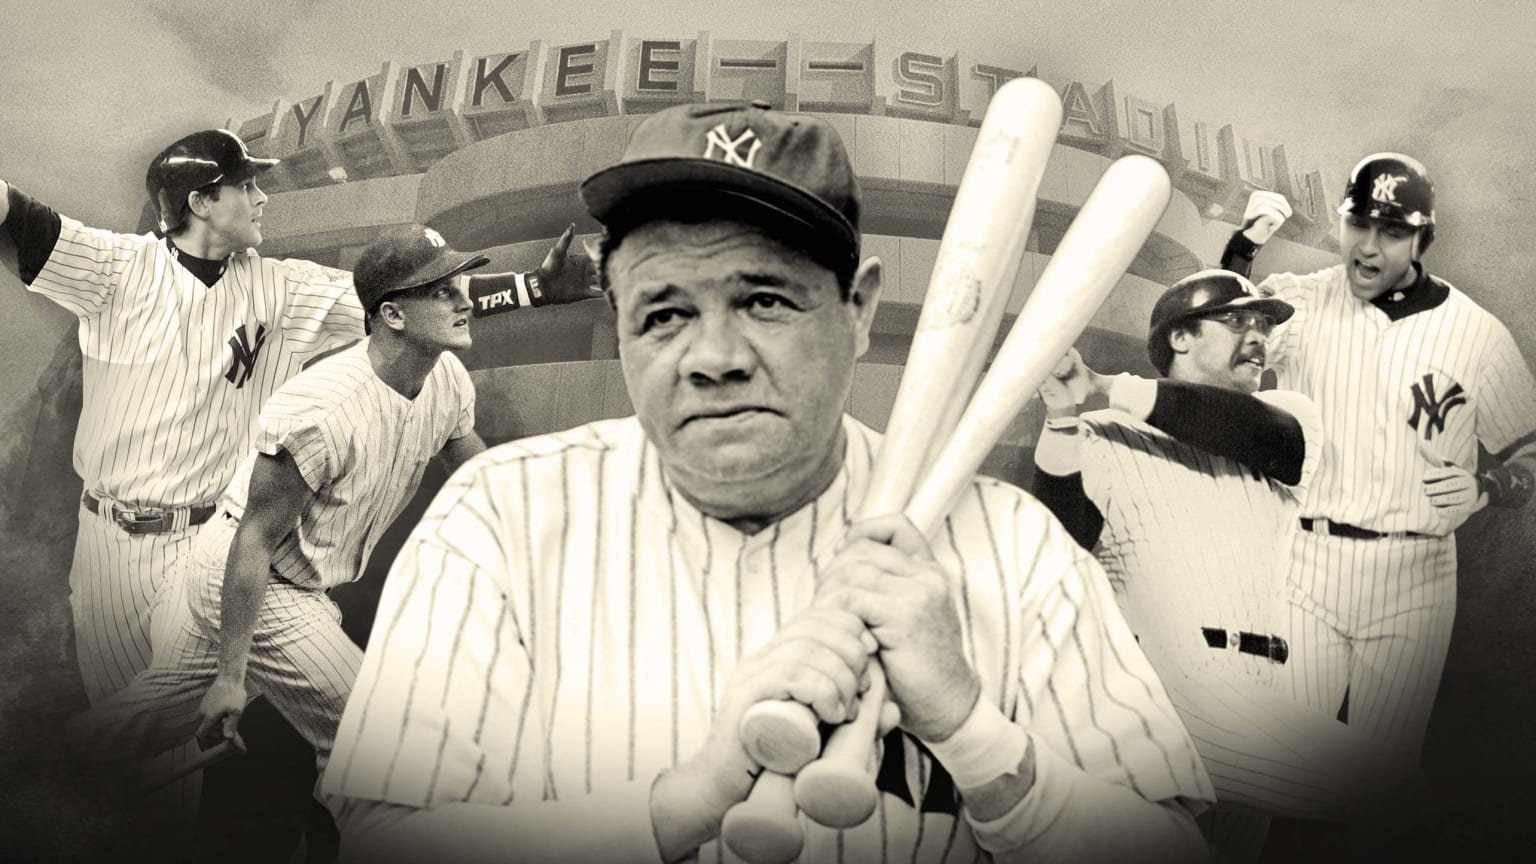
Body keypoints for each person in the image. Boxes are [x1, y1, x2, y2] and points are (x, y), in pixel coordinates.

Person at [318, 100, 1214, 864]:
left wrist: (972, 730)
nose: (713, 359)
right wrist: (681, 802)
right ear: (621, 326)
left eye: (765, 301)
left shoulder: (1012, 546)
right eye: (664, 313)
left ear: (857, 311)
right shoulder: (501, 517)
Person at [0, 127, 596, 850]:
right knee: (176, 767)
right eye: (245, 184)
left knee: (169, 742)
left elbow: (400, 297)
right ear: (199, 201)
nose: (261, 196)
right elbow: (17, 218)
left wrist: (537, 286)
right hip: (125, 545)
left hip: (227, 536)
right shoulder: (116, 270)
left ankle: (37, 782)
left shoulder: (281, 287)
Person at [69, 222, 490, 803]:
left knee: (158, 718)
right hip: (255, 579)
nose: (465, 297)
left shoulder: (445, 378)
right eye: (442, 289)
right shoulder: (322, 409)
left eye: (459, 282)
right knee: (369, 730)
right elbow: (254, 541)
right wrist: (231, 676)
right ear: (392, 315)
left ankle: (42, 768)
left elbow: (478, 474)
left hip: (269, 575)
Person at [1030, 270, 1423, 861]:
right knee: (1396, 792)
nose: (1259, 334)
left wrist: (1104, 383)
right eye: (1238, 320)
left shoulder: (1282, 417)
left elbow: (1241, 429)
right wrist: (1062, 418)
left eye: (1265, 322)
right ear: (1180, 339)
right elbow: (1056, 540)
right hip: (1170, 689)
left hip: (1263, 683)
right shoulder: (1101, 433)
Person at [1220, 156, 1536, 759]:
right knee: (1272, 759)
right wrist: (1244, 246)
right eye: (1357, 224)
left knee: (1378, 779)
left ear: (1424, 239)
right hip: (1304, 561)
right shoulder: (1303, 302)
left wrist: (1488, 486)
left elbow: (1530, 450)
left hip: (1414, 577)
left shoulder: (1477, 334)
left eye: (1391, 231)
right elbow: (1216, 348)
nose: (1367, 247)